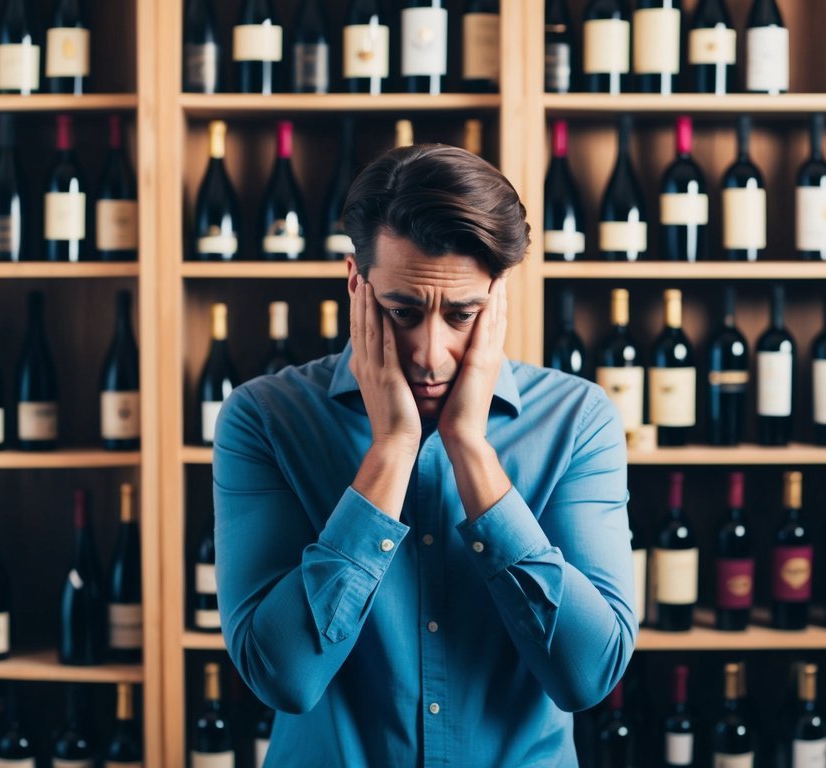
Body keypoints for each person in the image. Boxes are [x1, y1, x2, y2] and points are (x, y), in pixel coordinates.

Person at [212, 143, 636, 767]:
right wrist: (391, 450)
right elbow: (283, 678)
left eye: (462, 314)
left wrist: (470, 450)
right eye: (402, 312)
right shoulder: (264, 419)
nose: (431, 354)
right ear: (356, 282)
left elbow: (588, 676)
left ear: (497, 294)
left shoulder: (579, 420)